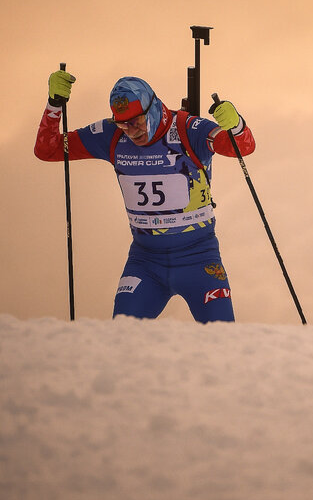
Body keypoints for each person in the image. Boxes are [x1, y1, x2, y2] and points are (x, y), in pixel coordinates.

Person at [34, 68, 255, 322]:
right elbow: (46, 149)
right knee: (122, 340)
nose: (131, 131)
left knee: (224, 339)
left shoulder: (187, 129)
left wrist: (236, 125)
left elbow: (243, 147)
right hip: (146, 263)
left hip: (199, 260)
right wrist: (54, 105)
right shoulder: (111, 134)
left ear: (153, 107)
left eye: (136, 121)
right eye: (122, 123)